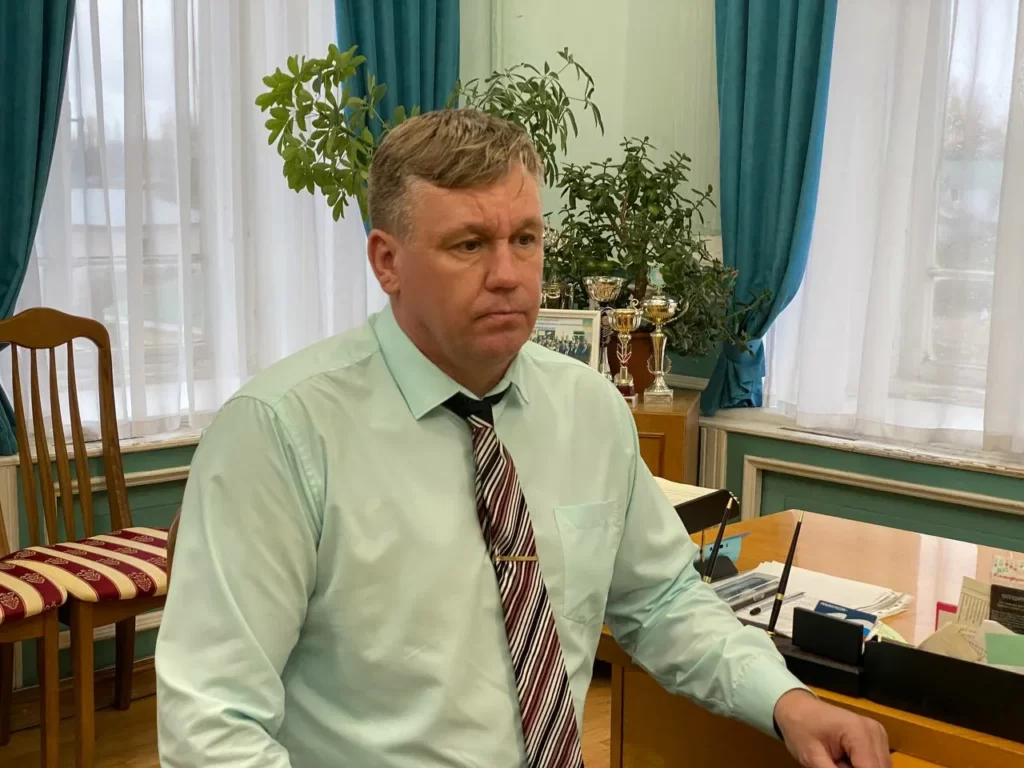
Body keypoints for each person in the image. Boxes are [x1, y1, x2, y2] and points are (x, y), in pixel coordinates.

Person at [155, 109, 891, 768]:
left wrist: (787, 702)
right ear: (387, 262)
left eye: (526, 239)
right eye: (469, 244)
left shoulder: (589, 410)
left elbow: (661, 599)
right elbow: (214, 723)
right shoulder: (280, 432)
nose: (507, 274)